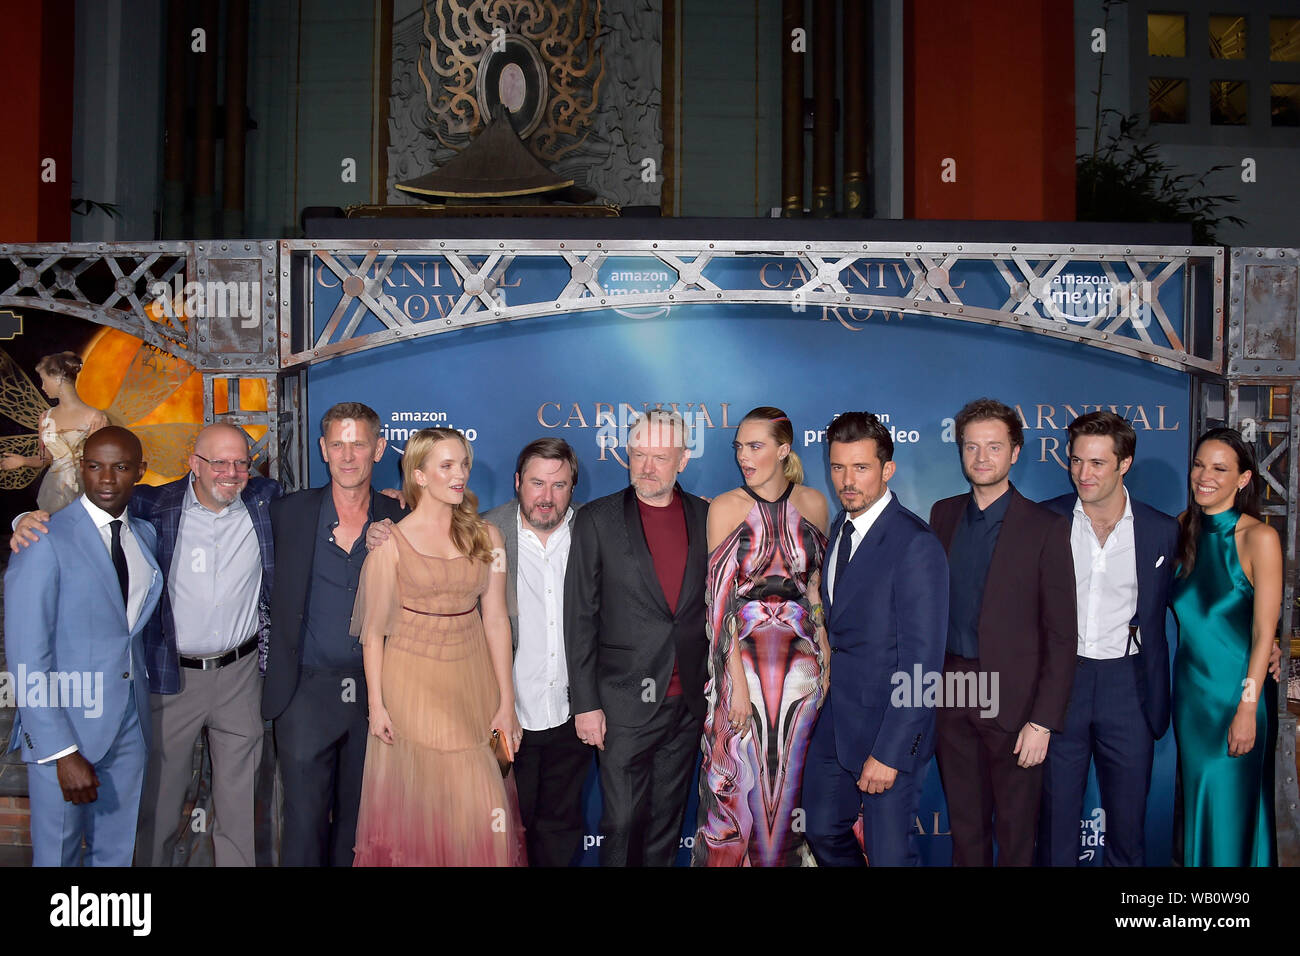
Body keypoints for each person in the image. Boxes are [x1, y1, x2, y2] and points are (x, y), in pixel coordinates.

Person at [12, 423, 279, 867]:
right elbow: (29, 654)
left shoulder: (263, 500)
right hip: (166, 680)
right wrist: (22, 519)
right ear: (194, 464)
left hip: (237, 675)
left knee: (236, 810)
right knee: (153, 811)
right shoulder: (152, 507)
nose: (231, 472)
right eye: (219, 462)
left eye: (240, 463)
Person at [350, 427, 524, 866]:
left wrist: (507, 703)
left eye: (463, 464)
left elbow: (497, 620)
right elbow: (374, 632)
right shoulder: (389, 543)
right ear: (419, 475)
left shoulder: (489, 538)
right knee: (423, 810)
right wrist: (377, 706)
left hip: (474, 683)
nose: (459, 474)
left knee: (488, 804)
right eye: (446, 466)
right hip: (411, 684)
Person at [4, 427, 163, 865]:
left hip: (129, 727)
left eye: (120, 467)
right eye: (94, 466)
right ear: (80, 469)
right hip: (66, 731)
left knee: (117, 853)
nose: (106, 479)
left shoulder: (144, 536)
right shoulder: (42, 539)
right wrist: (60, 751)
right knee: (58, 857)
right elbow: (27, 658)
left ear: (140, 471)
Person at [928, 398, 1076, 866]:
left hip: (1015, 706)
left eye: (994, 447)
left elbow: (1061, 636)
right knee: (966, 834)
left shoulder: (1046, 527)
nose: (981, 457)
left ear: (1015, 452)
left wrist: (1042, 721)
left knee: (1016, 839)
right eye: (971, 446)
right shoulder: (943, 514)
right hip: (952, 694)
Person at [802, 412, 949, 866]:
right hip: (838, 719)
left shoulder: (914, 543)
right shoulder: (840, 529)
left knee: (889, 857)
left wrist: (890, 752)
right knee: (822, 829)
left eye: (861, 468)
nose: (847, 481)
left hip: (890, 725)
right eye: (838, 467)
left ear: (888, 470)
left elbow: (923, 664)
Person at [261, 402, 405, 866]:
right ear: (323, 449)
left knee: (361, 825)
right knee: (302, 824)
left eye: (358, 444)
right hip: (304, 692)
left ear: (378, 449)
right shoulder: (286, 513)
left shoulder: (402, 517)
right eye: (338, 445)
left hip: (378, 693)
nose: (347, 456)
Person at [565, 409, 709, 867]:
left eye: (660, 457)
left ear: (682, 460)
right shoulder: (597, 518)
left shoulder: (707, 516)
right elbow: (579, 616)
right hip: (622, 701)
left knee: (666, 822)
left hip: (688, 702)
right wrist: (586, 704)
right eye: (638, 455)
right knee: (622, 822)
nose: (647, 467)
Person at [1037, 411, 1178, 867]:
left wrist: (1264, 641)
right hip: (1062, 685)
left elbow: (1193, 601)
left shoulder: (1161, 530)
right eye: (1077, 460)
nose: (1084, 473)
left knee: (1127, 829)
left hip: (1129, 687)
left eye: (1097, 463)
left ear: (1124, 463)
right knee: (1055, 827)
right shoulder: (1046, 520)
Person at [693, 406, 830, 866]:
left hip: (802, 677)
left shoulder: (814, 503)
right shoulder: (725, 507)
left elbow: (815, 590)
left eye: (755, 446)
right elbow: (719, 603)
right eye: (740, 447)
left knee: (795, 793)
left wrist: (826, 655)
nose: (744, 457)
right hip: (742, 673)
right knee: (737, 789)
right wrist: (733, 684)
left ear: (784, 449)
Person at [1170, 427, 1279, 867]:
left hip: (1238, 698)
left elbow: (1264, 634)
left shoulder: (1259, 539)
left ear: (1243, 478)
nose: (1204, 476)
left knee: (1233, 813)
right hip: (1191, 700)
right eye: (1199, 465)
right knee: (1200, 807)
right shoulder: (1181, 528)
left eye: (1219, 468)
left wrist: (1247, 709)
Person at [483, 437, 591, 867]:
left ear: (572, 488)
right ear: (517, 483)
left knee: (561, 831)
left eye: (559, 485)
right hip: (503, 717)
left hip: (572, 714)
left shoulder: (592, 529)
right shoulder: (483, 532)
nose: (547, 497)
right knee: (501, 830)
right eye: (536, 483)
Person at [0, 351, 109, 513]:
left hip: (85, 490)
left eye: (44, 380)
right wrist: (23, 461)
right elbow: (45, 459)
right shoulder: (45, 418)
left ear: (58, 379)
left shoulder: (95, 417)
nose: (42, 387)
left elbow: (103, 462)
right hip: (53, 491)